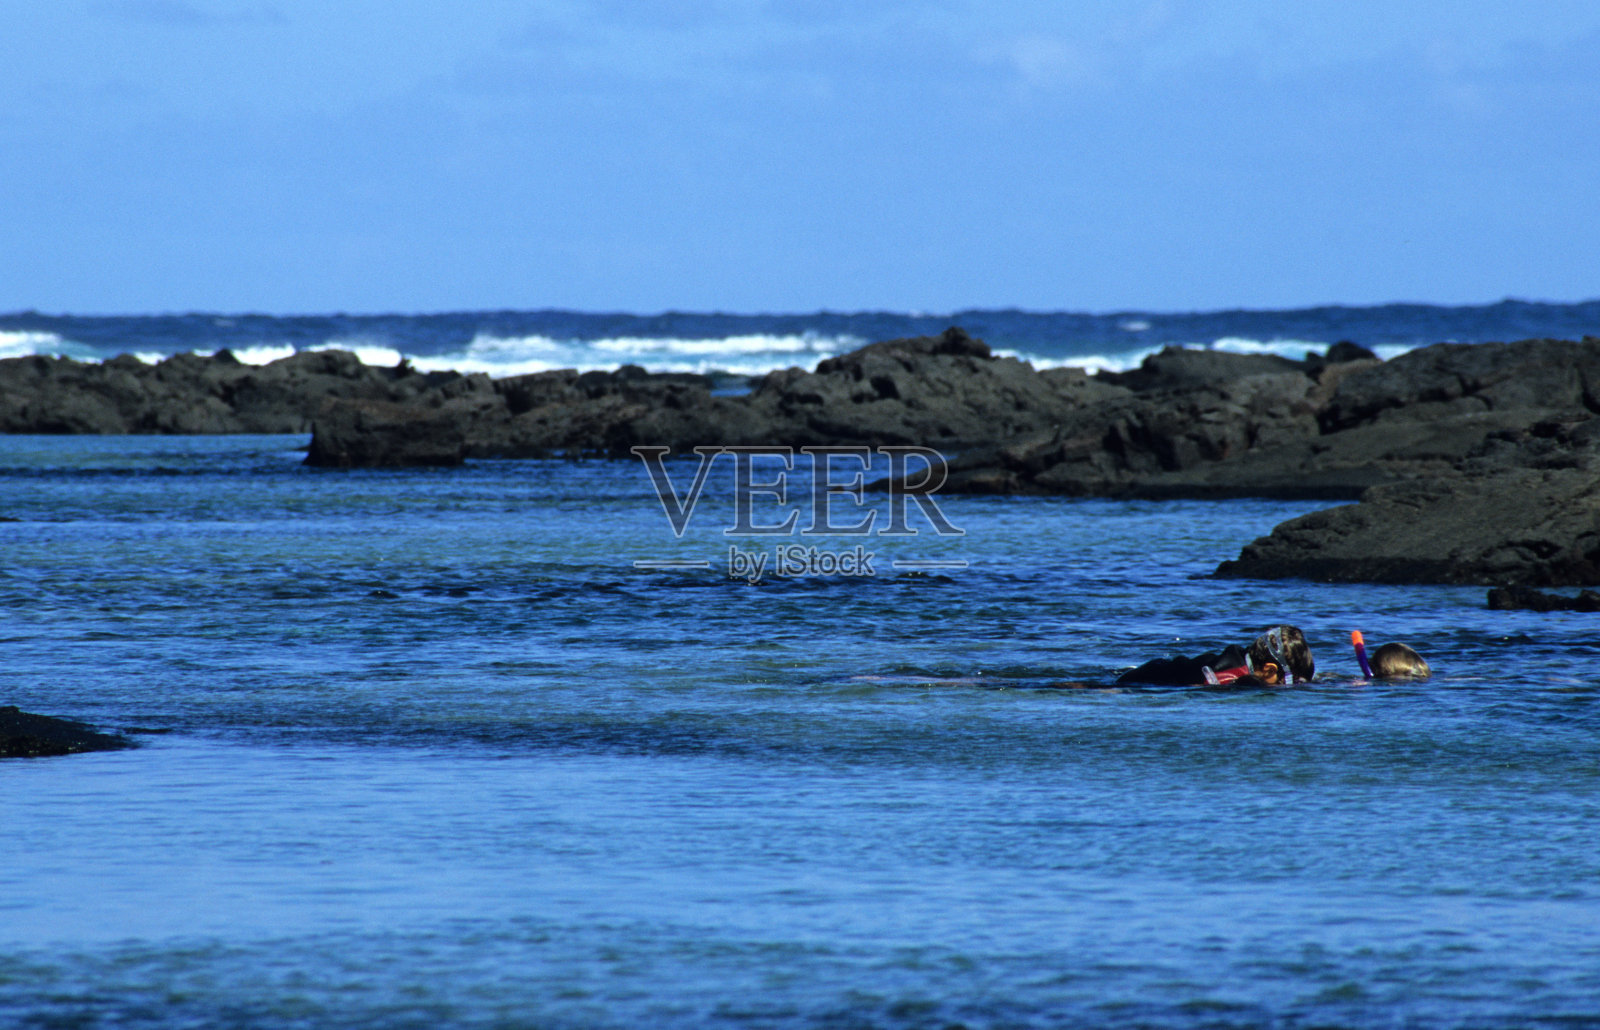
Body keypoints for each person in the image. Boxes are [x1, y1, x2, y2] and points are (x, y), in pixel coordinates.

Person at [1115, 625, 1315, 687]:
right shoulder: (1229, 677)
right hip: (1141, 681)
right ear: (1269, 669)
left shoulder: (1245, 659)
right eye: (1291, 681)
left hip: (1163, 668)